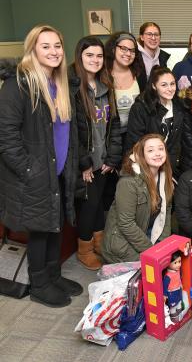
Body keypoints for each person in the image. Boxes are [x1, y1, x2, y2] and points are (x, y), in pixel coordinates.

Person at [0, 25, 81, 307]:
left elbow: (66, 133)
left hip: (57, 173)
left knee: (55, 225)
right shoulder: (17, 86)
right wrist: (29, 171)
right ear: (32, 49)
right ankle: (39, 284)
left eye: (57, 45)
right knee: (39, 229)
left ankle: (53, 275)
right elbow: (6, 139)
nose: (53, 51)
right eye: (45, 46)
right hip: (33, 174)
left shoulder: (60, 84)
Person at [70, 36, 122, 270]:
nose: (95, 60)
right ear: (80, 57)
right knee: (88, 206)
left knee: (100, 202)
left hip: (104, 160)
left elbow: (114, 125)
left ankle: (100, 243)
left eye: (99, 55)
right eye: (89, 55)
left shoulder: (105, 85)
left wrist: (112, 157)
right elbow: (73, 132)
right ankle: (85, 248)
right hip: (86, 163)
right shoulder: (73, 89)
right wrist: (84, 163)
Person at [101, 134, 174, 263]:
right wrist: (153, 252)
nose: (157, 153)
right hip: (122, 244)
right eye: (150, 150)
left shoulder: (165, 177)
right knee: (154, 274)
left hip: (147, 233)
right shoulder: (129, 182)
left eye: (161, 149)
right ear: (141, 155)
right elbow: (126, 224)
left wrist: (162, 247)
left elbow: (166, 212)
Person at [125, 66, 192, 180]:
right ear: (154, 86)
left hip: (173, 168)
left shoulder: (180, 106)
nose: (170, 88)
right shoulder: (141, 108)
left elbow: (184, 142)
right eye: (164, 85)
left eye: (172, 84)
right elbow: (135, 142)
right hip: (147, 167)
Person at [104, 31, 143, 147]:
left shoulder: (139, 75)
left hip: (134, 136)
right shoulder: (102, 75)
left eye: (132, 50)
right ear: (113, 49)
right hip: (108, 137)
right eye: (123, 48)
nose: (128, 53)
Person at [136, 22, 170, 89]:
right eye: (149, 34)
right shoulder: (134, 57)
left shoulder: (163, 57)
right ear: (142, 37)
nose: (153, 38)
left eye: (156, 34)